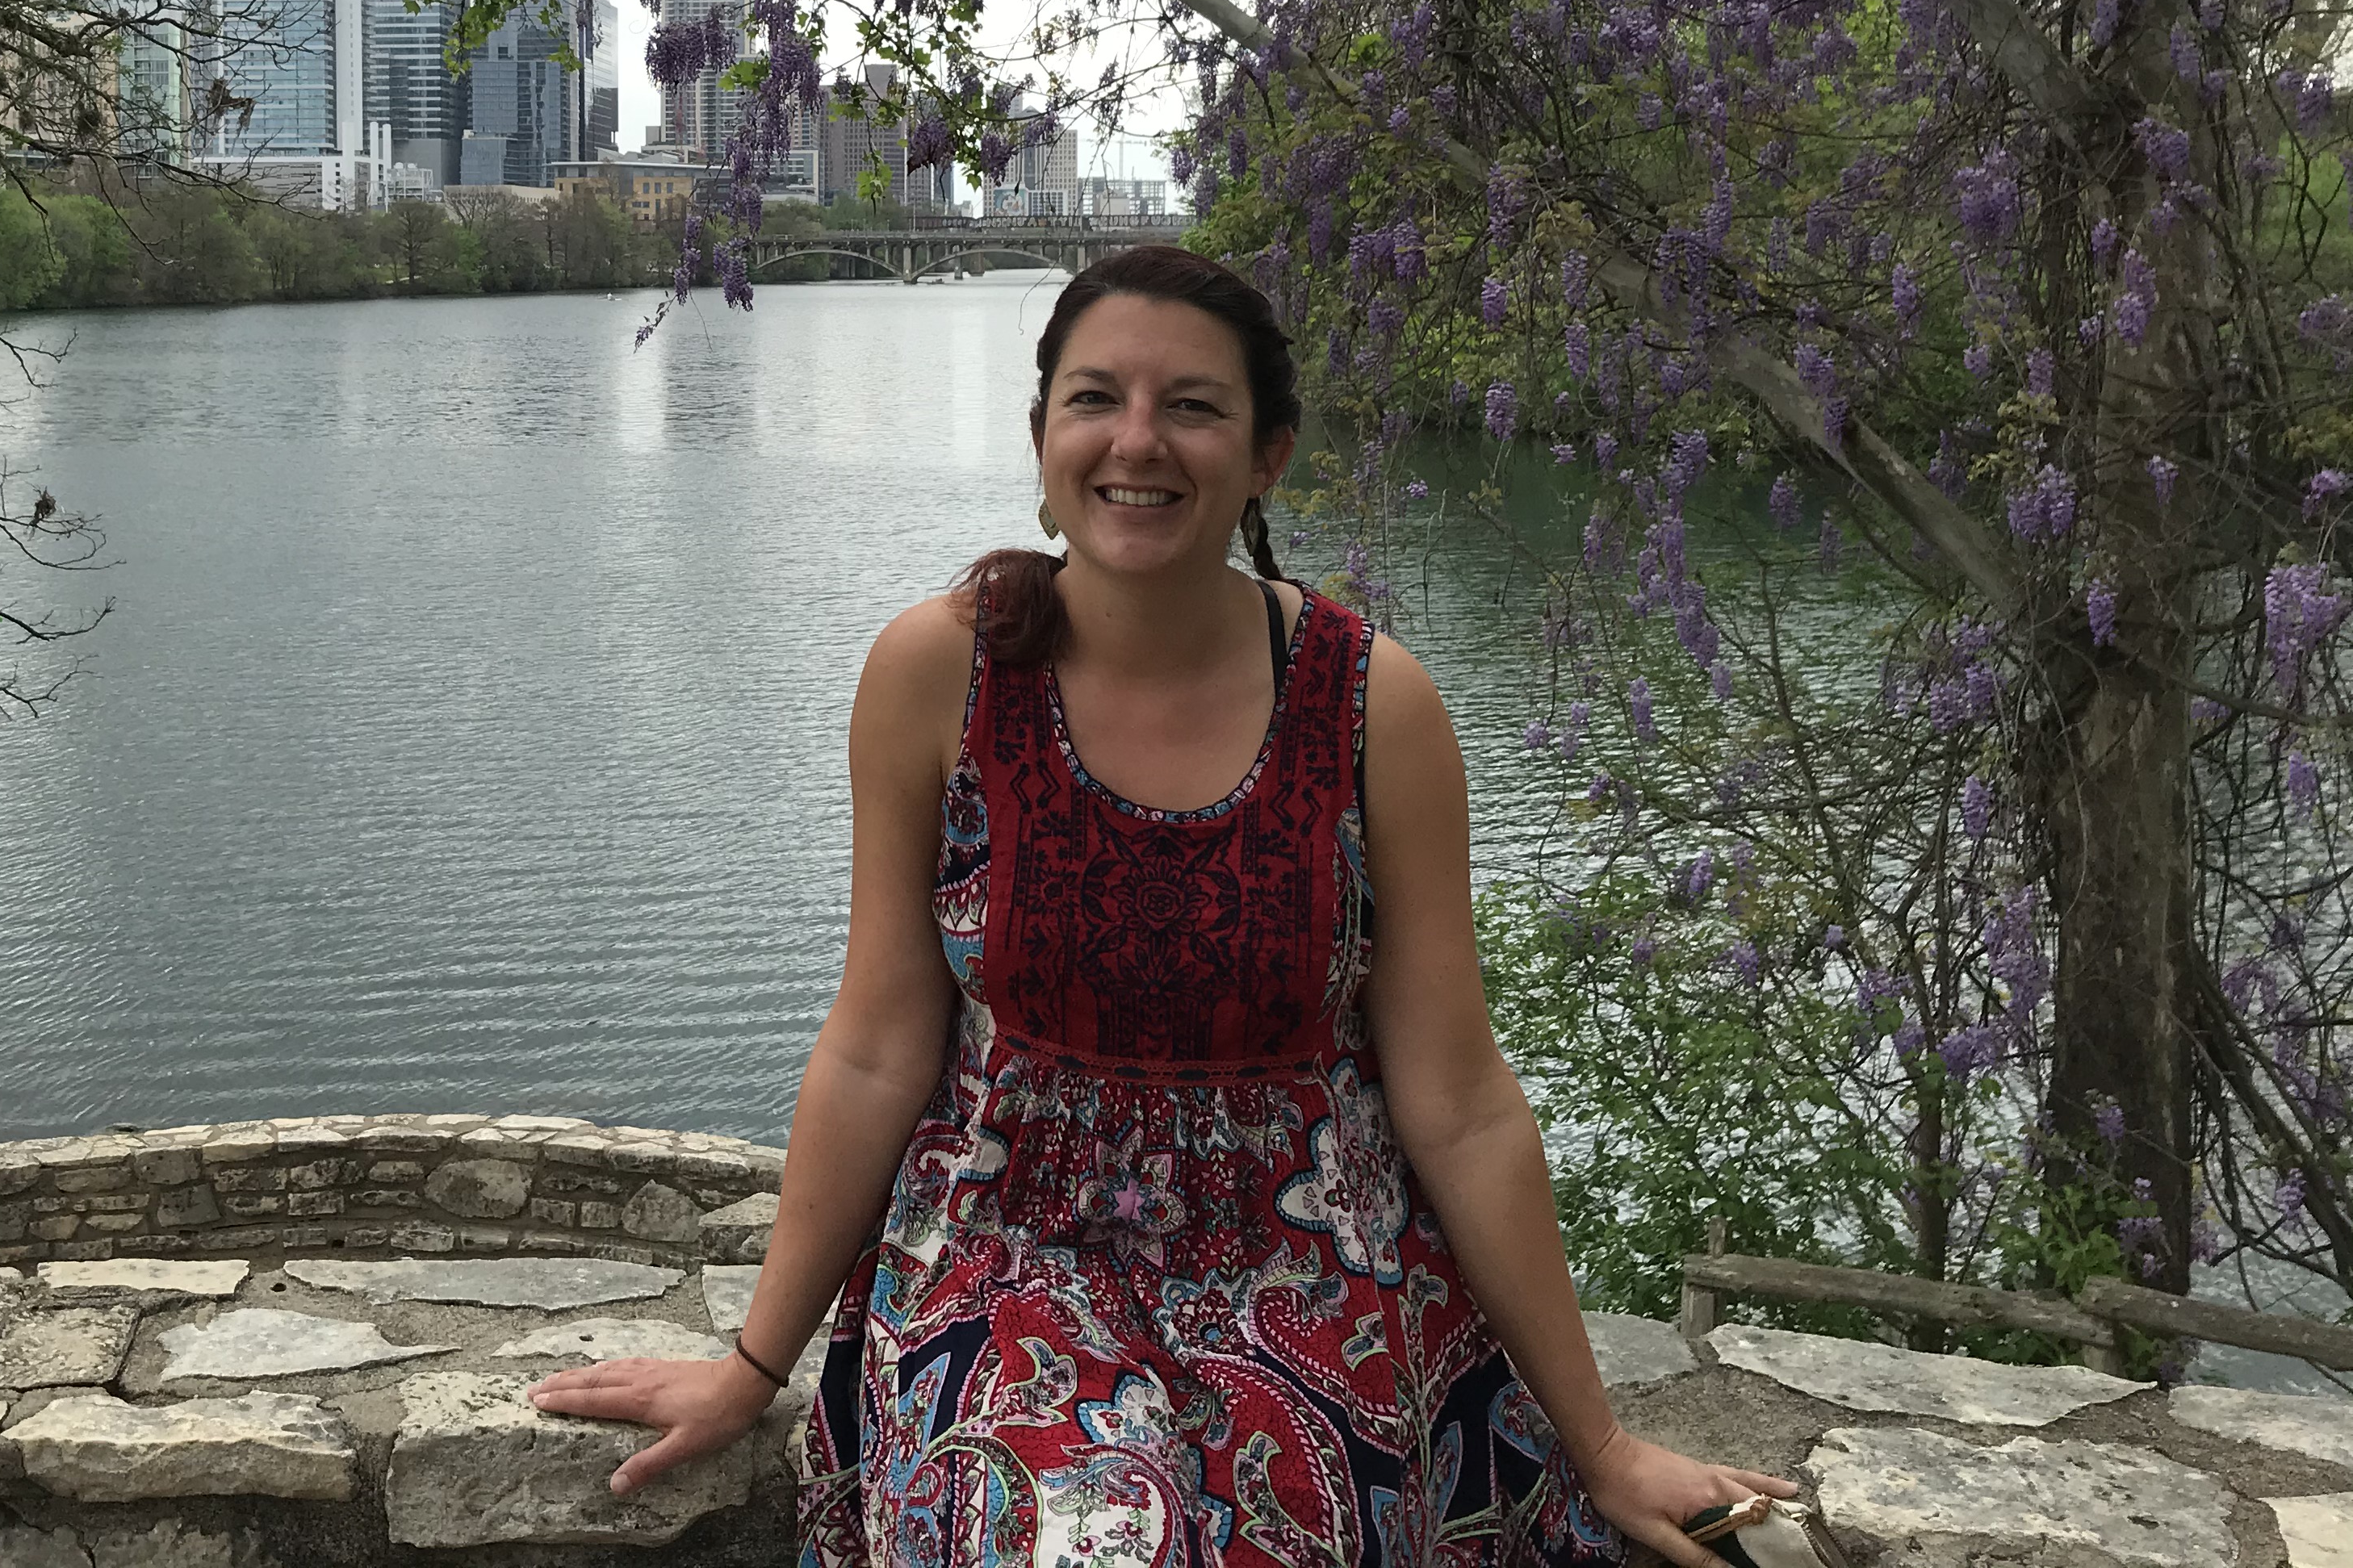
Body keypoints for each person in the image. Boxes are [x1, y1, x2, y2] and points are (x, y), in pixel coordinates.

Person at [530, 245, 1797, 1567]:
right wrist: (751, 1365)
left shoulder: (1374, 706)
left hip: (1317, 1270)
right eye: (1096, 399)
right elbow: (876, 1043)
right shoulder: (942, 672)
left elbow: (1460, 1100)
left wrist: (1603, 1444)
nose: (1138, 441)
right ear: (1042, 438)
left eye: (1192, 406)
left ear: (1267, 458)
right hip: (1006, 1257)